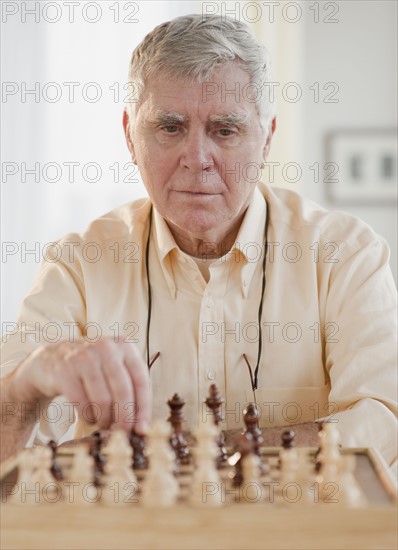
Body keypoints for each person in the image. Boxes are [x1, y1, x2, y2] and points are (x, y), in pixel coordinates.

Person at [1, 15, 397, 471]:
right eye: (169, 128)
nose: (197, 159)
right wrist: (28, 380)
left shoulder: (346, 253)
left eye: (225, 130)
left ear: (266, 138)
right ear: (130, 135)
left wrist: (207, 451)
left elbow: (384, 419)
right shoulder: (77, 263)